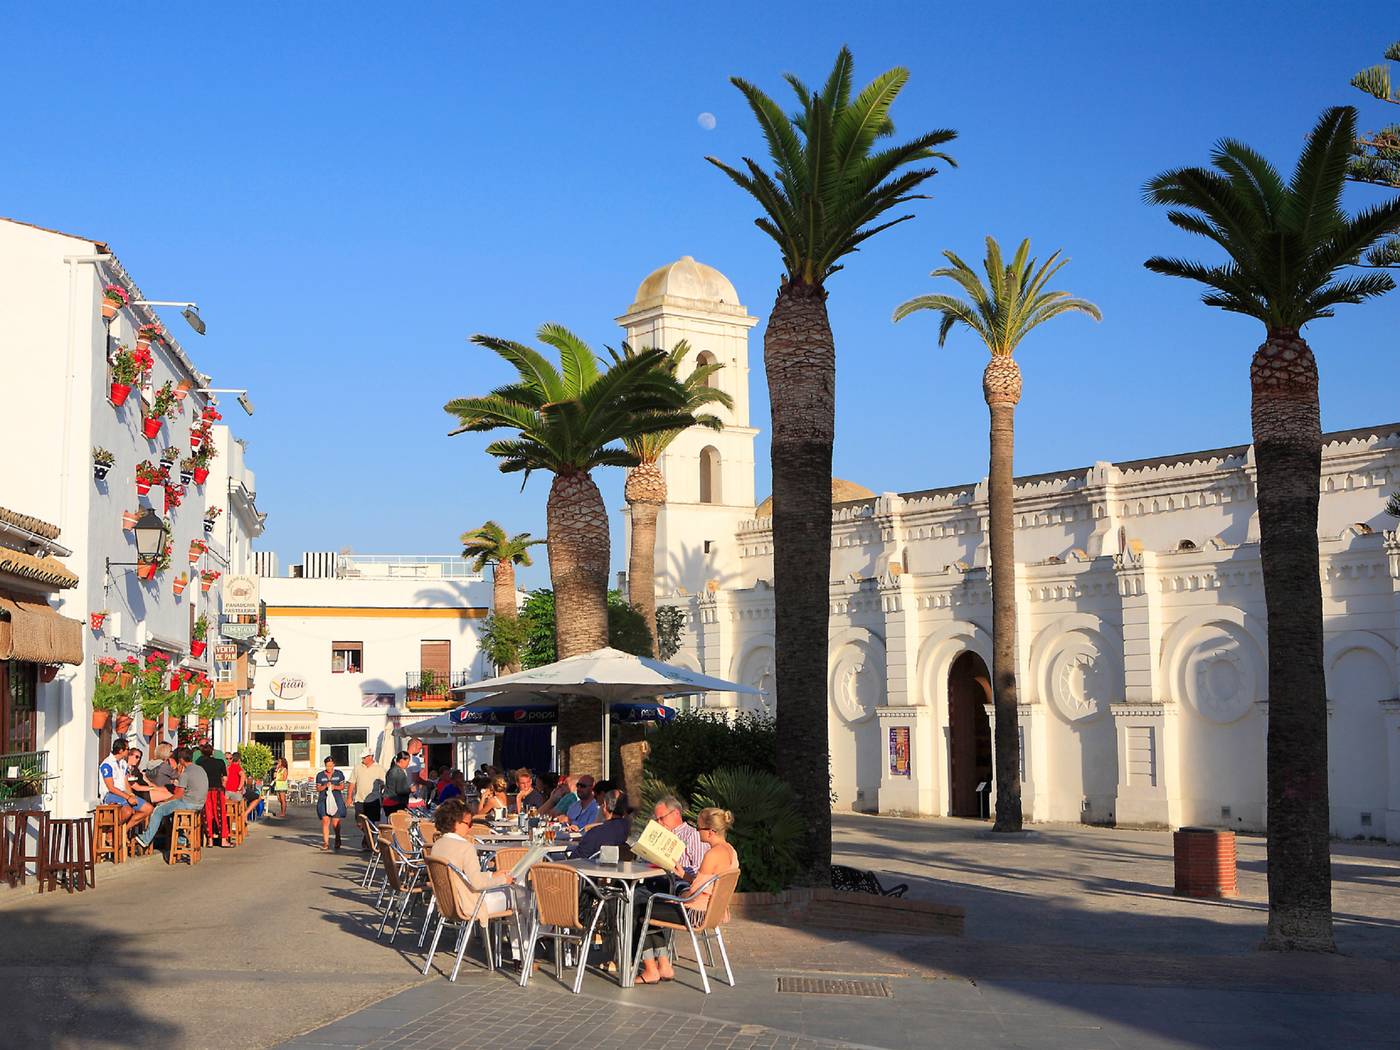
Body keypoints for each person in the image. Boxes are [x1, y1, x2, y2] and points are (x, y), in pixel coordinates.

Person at [632, 808, 739, 984]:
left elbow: (693, 895)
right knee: (656, 906)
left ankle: (651, 969)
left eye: (699, 828)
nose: (697, 832)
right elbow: (706, 884)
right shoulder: (730, 851)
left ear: (710, 832)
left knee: (640, 907)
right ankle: (664, 965)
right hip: (713, 912)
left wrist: (676, 897)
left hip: (696, 913)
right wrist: (684, 876)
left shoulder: (712, 854)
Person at [428, 798, 515, 920]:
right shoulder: (465, 847)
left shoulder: (438, 845)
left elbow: (463, 877)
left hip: (448, 903)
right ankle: (530, 937)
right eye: (469, 823)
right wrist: (503, 880)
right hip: (470, 905)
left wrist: (492, 875)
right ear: (456, 823)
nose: (470, 828)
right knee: (519, 896)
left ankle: (520, 938)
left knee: (515, 895)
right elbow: (477, 884)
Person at [135, 747, 208, 852]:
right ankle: (181, 839)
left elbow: (178, 795)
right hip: (200, 804)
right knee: (171, 813)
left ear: (181, 760)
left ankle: (145, 839)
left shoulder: (185, 774)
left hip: (188, 803)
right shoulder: (200, 769)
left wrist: (165, 801)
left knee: (159, 810)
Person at [99, 738, 151, 835]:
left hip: (123, 794)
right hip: (110, 795)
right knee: (128, 812)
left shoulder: (123, 763)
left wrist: (131, 794)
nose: (129, 751)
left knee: (148, 808)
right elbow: (111, 788)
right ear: (121, 751)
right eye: (128, 749)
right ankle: (111, 832)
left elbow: (126, 783)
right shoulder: (107, 764)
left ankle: (122, 831)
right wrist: (128, 797)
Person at [654, 795, 708, 880]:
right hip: (657, 878)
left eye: (661, 818)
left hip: (679, 883)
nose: (659, 823)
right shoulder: (660, 834)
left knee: (636, 891)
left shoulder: (692, 835)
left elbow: (700, 868)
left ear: (676, 813)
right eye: (657, 820)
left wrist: (677, 869)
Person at [568, 789, 631, 860]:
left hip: (587, 869)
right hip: (617, 869)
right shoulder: (627, 829)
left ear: (605, 806)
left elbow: (575, 859)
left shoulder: (596, 833)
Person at [348, 750, 384, 850]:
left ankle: (368, 843)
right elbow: (352, 783)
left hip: (373, 800)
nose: (363, 759)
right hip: (360, 799)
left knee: (371, 823)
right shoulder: (357, 767)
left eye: (365, 757)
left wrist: (383, 797)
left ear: (371, 756)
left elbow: (384, 784)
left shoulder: (379, 769)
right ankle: (368, 838)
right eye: (362, 757)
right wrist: (349, 797)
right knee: (360, 823)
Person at [198, 744, 229, 846]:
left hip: (205, 790)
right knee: (220, 814)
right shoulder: (219, 762)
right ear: (212, 752)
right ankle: (223, 839)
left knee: (207, 814)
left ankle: (209, 840)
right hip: (217, 790)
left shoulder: (200, 763)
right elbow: (225, 778)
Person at [316, 756, 348, 851]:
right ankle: (326, 843)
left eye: (330, 766)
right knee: (325, 821)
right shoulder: (320, 775)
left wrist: (335, 787)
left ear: (334, 765)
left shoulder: (339, 774)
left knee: (335, 822)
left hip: (336, 799)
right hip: (323, 800)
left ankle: (337, 837)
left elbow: (342, 787)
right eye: (327, 766)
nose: (329, 768)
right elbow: (318, 788)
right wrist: (325, 786)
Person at [381, 751, 413, 816]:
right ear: (401, 760)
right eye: (407, 762)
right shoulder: (398, 771)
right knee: (398, 824)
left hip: (388, 802)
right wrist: (410, 790)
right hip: (395, 802)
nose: (408, 764)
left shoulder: (392, 769)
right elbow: (400, 790)